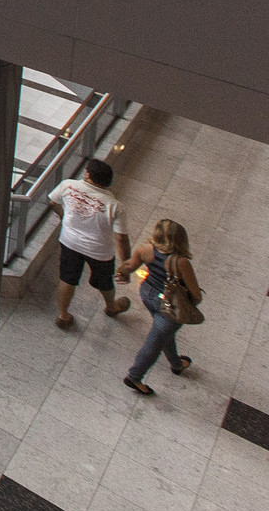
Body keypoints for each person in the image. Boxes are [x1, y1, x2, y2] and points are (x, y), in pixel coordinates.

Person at [117, 218, 203, 394]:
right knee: (154, 343)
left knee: (163, 332)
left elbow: (129, 266)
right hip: (171, 305)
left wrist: (121, 273)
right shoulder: (181, 263)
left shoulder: (145, 249)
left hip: (147, 294)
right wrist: (188, 306)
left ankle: (176, 363)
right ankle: (134, 377)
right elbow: (196, 294)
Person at [48, 158, 133, 329]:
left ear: (88, 174)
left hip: (69, 241)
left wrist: (64, 217)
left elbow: (53, 202)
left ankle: (63, 315)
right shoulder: (115, 206)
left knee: (67, 277)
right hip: (100, 251)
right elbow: (121, 239)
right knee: (104, 281)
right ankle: (111, 307)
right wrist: (126, 266)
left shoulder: (68, 186)